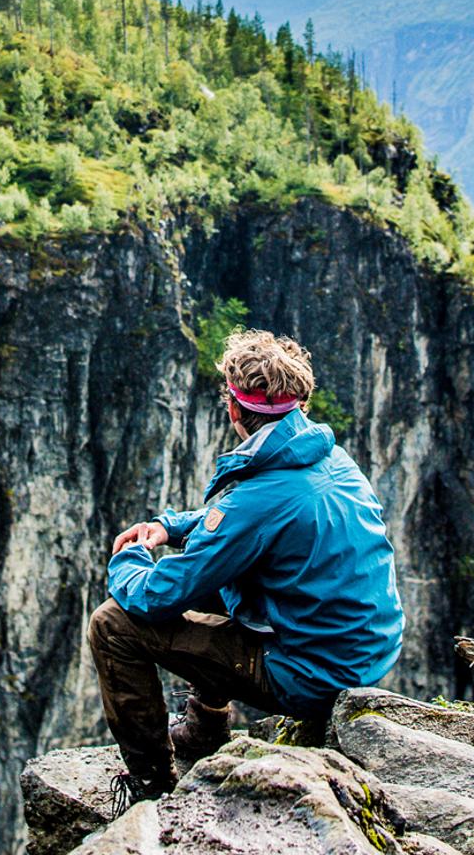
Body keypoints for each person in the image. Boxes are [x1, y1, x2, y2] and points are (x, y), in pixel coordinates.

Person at [88, 327, 405, 802]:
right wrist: (171, 528)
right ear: (299, 405)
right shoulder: (333, 459)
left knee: (113, 623)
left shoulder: (260, 498)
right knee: (221, 579)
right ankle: (203, 731)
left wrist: (131, 555)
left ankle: (152, 784)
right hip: (362, 649)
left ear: (235, 410)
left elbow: (160, 596)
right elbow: (244, 524)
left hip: (313, 674)